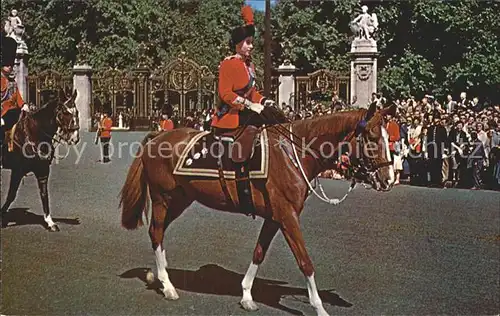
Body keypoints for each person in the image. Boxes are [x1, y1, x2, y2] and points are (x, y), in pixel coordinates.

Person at [211, 5, 276, 133]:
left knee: (273, 116)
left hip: (246, 112)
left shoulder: (250, 65)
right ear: (238, 44)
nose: (251, 46)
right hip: (230, 115)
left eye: (252, 42)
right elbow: (226, 94)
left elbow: (251, 93)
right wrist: (249, 104)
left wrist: (264, 101)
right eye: (248, 42)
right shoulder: (228, 64)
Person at [1, 32, 29, 147]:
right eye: (7, 65)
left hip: (14, 112)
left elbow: (17, 96)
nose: (10, 67)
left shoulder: (12, 81)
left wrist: (23, 105)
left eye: (11, 65)